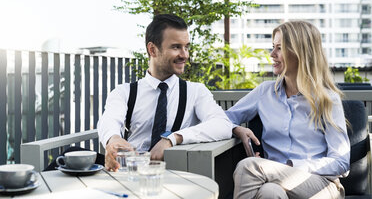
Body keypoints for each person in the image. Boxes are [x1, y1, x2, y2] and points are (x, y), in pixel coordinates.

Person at [226, 21, 350, 199]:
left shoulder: (328, 99)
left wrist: (291, 167)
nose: (272, 54)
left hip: (321, 186)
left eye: (279, 48)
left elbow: (341, 162)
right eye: (272, 47)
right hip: (273, 181)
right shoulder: (264, 92)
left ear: (300, 53)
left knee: (249, 166)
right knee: (269, 192)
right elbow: (223, 119)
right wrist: (237, 129)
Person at [98, 14, 232, 171]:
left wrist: (173, 139)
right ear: (152, 50)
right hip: (130, 172)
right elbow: (109, 120)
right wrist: (113, 138)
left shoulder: (196, 91)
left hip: (175, 173)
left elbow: (223, 125)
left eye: (186, 47)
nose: (184, 55)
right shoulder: (124, 92)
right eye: (176, 47)